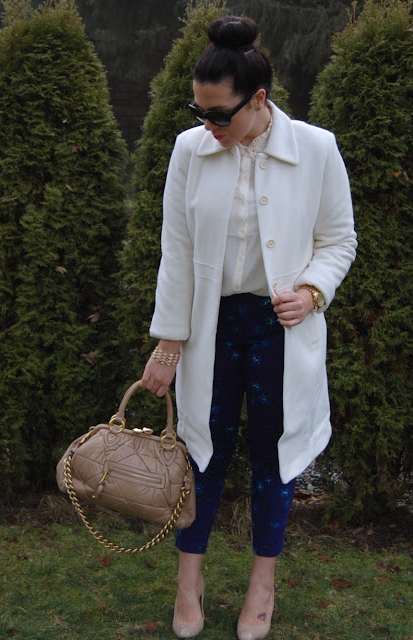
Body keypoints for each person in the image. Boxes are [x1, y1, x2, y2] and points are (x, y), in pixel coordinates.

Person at [140, 15, 357, 640]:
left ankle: (262, 586)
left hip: (279, 333)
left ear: (258, 100)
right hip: (209, 329)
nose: (207, 125)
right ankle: (190, 580)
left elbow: (339, 239)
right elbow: (176, 250)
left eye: (219, 114)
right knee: (200, 456)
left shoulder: (316, 148)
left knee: (274, 458)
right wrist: (168, 342)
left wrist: (313, 290)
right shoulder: (190, 149)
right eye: (198, 110)